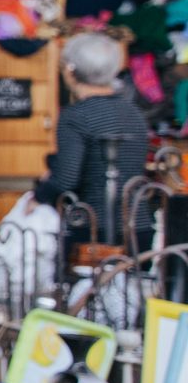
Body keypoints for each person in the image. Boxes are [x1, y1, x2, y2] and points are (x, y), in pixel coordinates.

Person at [35, 32, 152, 247]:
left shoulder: (77, 115)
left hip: (93, 230)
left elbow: (66, 179)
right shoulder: (134, 112)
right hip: (139, 226)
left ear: (70, 70)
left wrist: (38, 196)